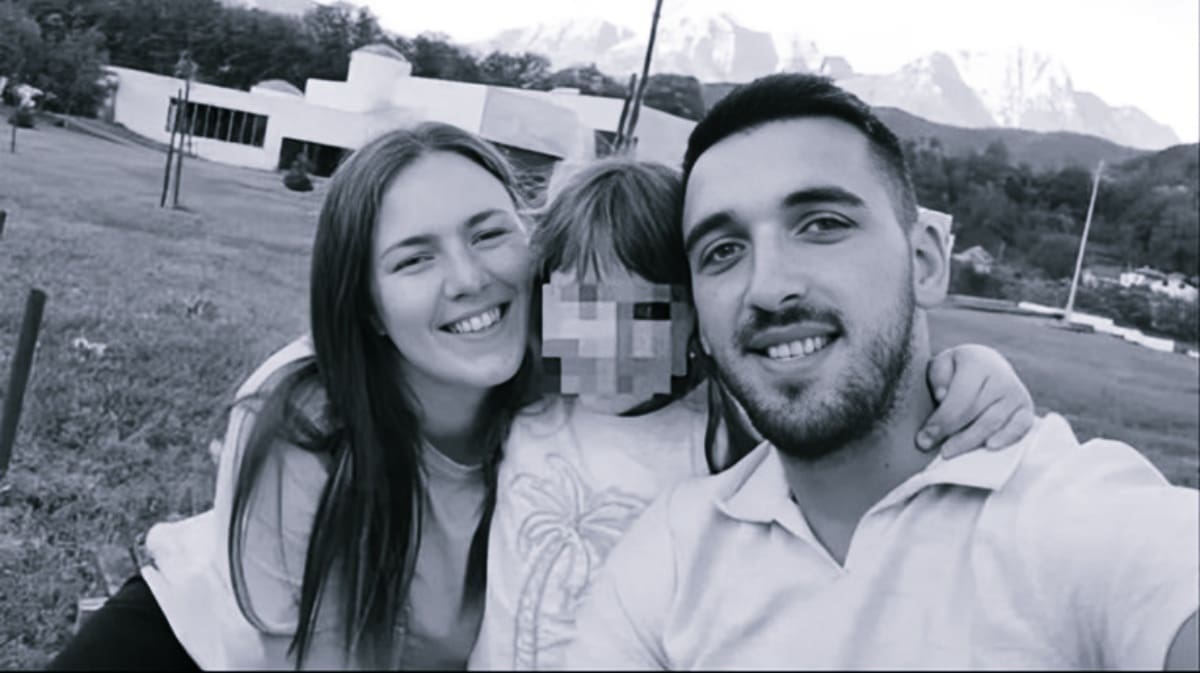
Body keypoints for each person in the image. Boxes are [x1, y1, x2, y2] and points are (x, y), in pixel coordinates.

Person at [563, 74, 1200, 670]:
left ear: (925, 263)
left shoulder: (1083, 520)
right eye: (723, 250)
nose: (769, 287)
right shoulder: (672, 554)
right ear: (700, 317)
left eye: (822, 224)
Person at [469, 157, 1038, 670]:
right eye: (580, 306)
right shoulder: (525, 404)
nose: (605, 341)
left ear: (698, 323)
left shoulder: (722, 433)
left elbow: (856, 411)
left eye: (642, 313)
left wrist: (968, 371)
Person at [50, 122, 542, 670]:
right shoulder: (303, 414)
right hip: (208, 644)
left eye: (489, 234)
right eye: (413, 259)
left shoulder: (581, 370)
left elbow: (612, 253)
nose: (469, 279)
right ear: (368, 307)